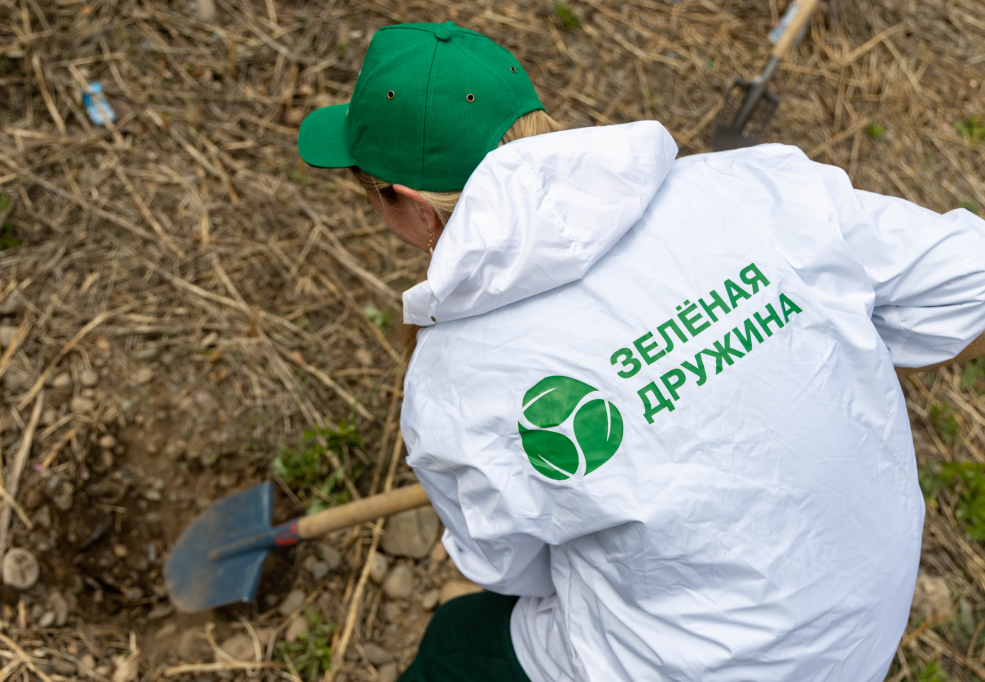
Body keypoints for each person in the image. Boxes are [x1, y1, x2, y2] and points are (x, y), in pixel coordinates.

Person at [297, 21, 985, 682]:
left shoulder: (455, 382)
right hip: (869, 619)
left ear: (415, 207)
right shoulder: (761, 188)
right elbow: (969, 281)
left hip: (701, 668)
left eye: (372, 195)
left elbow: (514, 572)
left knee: (457, 646)